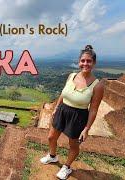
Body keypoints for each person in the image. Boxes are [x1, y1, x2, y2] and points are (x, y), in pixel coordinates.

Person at [40, 45, 104, 179]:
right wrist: (57, 107)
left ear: (94, 63)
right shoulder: (71, 76)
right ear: (79, 61)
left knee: (73, 144)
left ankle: (67, 167)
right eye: (83, 61)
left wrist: (86, 128)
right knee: (51, 137)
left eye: (89, 61)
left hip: (78, 115)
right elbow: (64, 93)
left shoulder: (97, 85)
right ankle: (52, 156)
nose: (85, 64)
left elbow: (93, 109)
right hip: (63, 110)